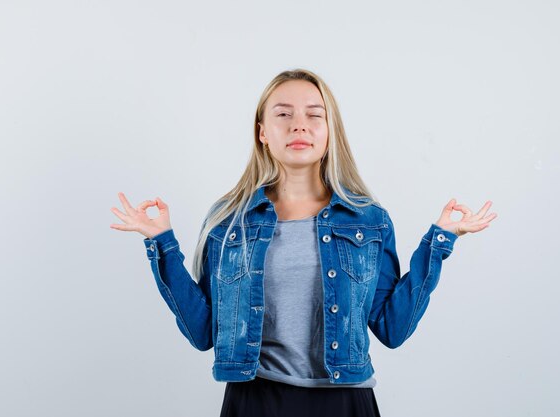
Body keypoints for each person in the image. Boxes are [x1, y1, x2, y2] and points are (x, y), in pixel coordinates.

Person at [110, 68, 497, 417]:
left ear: (330, 131)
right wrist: (160, 240)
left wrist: (440, 242)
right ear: (262, 131)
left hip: (345, 402)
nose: (299, 126)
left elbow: (392, 329)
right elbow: (203, 332)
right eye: (283, 114)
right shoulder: (228, 221)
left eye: (314, 114)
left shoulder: (369, 219)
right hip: (253, 402)